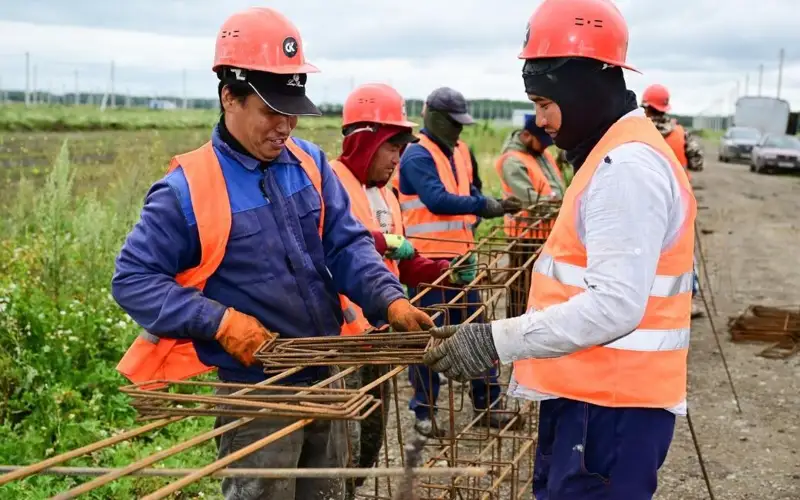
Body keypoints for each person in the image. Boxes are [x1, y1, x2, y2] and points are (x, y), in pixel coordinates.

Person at [110, 8, 433, 500]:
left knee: (330, 493)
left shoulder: (309, 164)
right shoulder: (187, 190)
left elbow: (346, 243)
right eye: (270, 111)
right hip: (258, 394)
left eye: (292, 111)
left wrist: (389, 299)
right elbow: (134, 279)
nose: (285, 126)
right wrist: (220, 322)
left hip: (327, 373)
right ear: (229, 97)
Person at [423, 1, 697, 499]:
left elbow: (615, 305)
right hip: (593, 399)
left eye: (545, 102)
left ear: (582, 89)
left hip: (611, 409)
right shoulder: (611, 155)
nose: (541, 119)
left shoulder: (626, 169)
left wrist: (493, 341)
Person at [332, 83, 478, 496]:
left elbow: (404, 262)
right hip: (338, 342)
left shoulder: (386, 194)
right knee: (338, 448)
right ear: (364, 140)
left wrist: (443, 272)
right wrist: (380, 242)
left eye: (401, 148)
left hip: (378, 336)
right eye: (391, 147)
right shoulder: (331, 184)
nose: (398, 158)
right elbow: (325, 244)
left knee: (369, 442)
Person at [394, 86, 522, 437]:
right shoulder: (416, 156)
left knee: (477, 331)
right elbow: (436, 199)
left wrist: (487, 204)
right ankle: (425, 411)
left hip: (462, 260)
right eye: (454, 123)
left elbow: (471, 190)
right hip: (428, 265)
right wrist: (484, 206)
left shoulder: (462, 150)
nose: (459, 129)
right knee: (429, 338)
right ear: (435, 118)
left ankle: (488, 404)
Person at [642, 83, 705, 318]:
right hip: (679, 202)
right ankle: (687, 300)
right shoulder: (680, 132)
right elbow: (697, 162)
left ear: (646, 106)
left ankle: (646, 300)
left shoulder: (636, 129)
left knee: (646, 250)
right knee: (681, 251)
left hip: (645, 201)